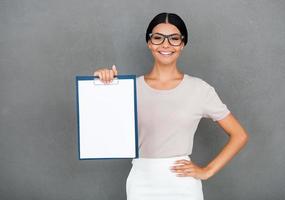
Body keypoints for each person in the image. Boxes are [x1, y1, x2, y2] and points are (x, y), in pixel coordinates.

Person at [94, 12, 249, 200]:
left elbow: (239, 135)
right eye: (158, 38)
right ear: (149, 43)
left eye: (174, 38)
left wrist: (207, 171)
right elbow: (103, 128)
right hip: (142, 180)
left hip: (182, 182)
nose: (166, 44)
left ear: (182, 44)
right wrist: (104, 87)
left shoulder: (199, 89)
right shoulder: (129, 88)